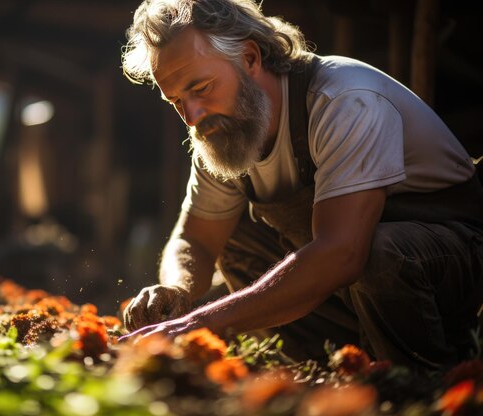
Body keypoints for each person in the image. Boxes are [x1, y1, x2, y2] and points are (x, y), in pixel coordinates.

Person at [120, 0, 483, 372]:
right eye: (177, 101)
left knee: (376, 252)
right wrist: (177, 290)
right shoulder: (219, 135)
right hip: (350, 288)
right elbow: (195, 239)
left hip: (452, 265)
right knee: (232, 235)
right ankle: (325, 368)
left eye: (201, 87)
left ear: (249, 58)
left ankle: (424, 378)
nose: (192, 116)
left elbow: (341, 252)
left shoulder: (343, 99)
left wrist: (198, 324)